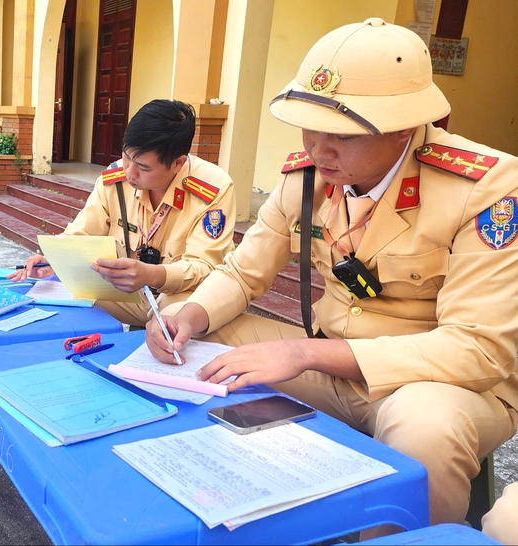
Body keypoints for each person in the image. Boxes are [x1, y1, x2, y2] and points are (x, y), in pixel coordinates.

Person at [145, 18, 518, 532]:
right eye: (309, 126)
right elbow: (243, 272)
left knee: (425, 427)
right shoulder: (308, 177)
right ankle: (211, 499)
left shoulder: (487, 189)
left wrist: (302, 352)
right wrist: (186, 316)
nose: (320, 149)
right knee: (198, 336)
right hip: (332, 363)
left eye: (343, 133)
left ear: (405, 125)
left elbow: (478, 350)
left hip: (438, 383)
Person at [9, 99, 235, 327]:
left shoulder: (212, 189)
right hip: (129, 296)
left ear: (178, 163)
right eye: (127, 156)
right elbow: (83, 232)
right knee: (50, 294)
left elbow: (205, 268)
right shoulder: (114, 179)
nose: (129, 172)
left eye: (144, 167)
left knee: (178, 318)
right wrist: (55, 257)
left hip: (179, 299)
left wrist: (152, 275)